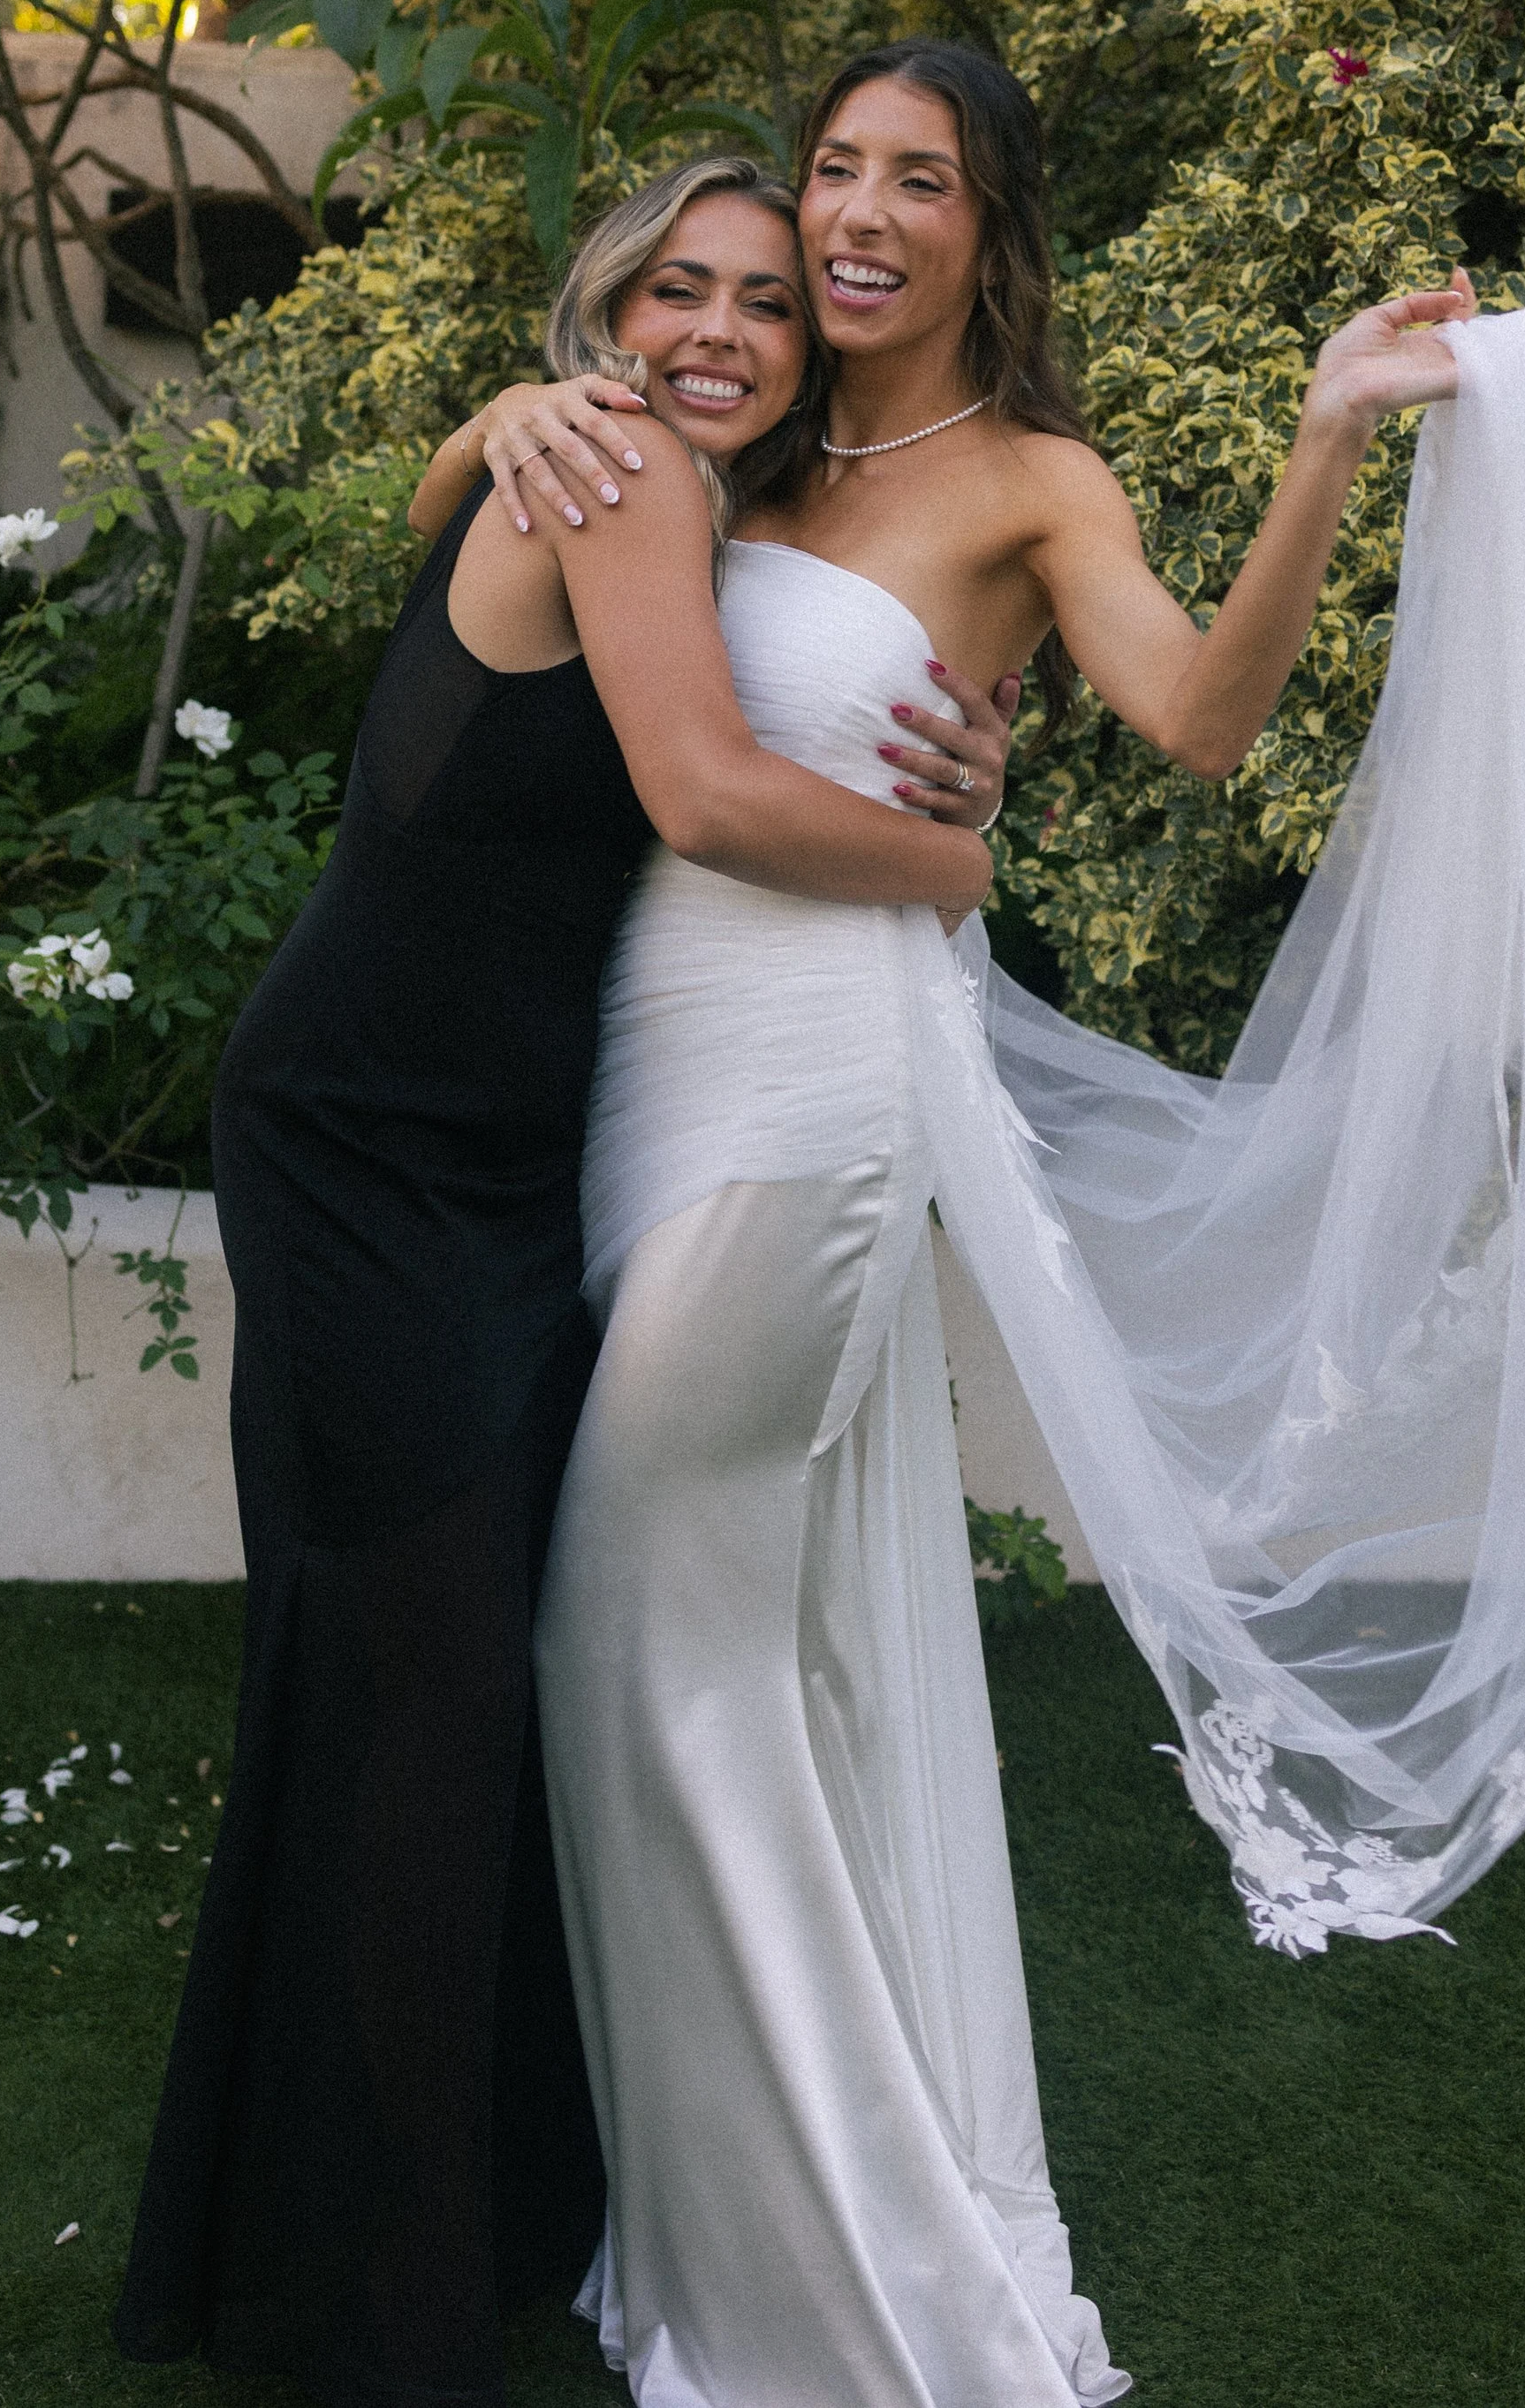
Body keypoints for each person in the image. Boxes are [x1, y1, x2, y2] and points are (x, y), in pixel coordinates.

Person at [413, 43, 1481, 2407]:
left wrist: (1321, 436)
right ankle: (708, 2233)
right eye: (836, 168)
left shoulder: (1028, 475)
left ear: (992, 226)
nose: (865, 213)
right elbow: (498, 565)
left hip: (812, 1094)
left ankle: (844, 2294)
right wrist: (511, 404)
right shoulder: (729, 430)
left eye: (924, 179)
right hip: (634, 1069)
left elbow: (1198, 717)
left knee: (642, 1651)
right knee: (725, 1670)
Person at [111, 151, 1015, 2408]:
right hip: (364, 1152)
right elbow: (704, 800)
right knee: (422, 1707)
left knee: (428, 1690)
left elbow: (608, 635)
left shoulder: (640, 482)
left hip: (506, 1170)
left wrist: (492, 422)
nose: (719, 331)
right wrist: (956, 861)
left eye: (766, 306)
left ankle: (446, 2223)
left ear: (813, 353)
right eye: (674, 293)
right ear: (601, 318)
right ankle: (374, 2330)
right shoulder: (619, 473)